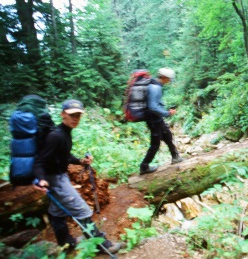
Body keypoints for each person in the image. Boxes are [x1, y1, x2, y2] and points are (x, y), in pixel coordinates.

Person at [33, 99, 121, 253]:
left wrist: (81, 161)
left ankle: (66, 243)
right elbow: (40, 160)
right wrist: (41, 179)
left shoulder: (64, 133)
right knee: (82, 211)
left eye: (78, 115)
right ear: (62, 115)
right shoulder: (56, 136)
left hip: (60, 176)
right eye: (72, 115)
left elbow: (64, 155)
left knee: (57, 212)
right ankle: (102, 246)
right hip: (56, 179)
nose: (75, 118)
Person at [139, 68, 184, 175]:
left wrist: (164, 112)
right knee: (155, 144)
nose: (169, 81)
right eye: (169, 79)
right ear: (164, 77)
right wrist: (167, 113)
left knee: (167, 135)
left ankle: (175, 156)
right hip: (153, 120)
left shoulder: (155, 85)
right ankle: (144, 166)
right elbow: (152, 107)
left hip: (157, 119)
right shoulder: (155, 88)